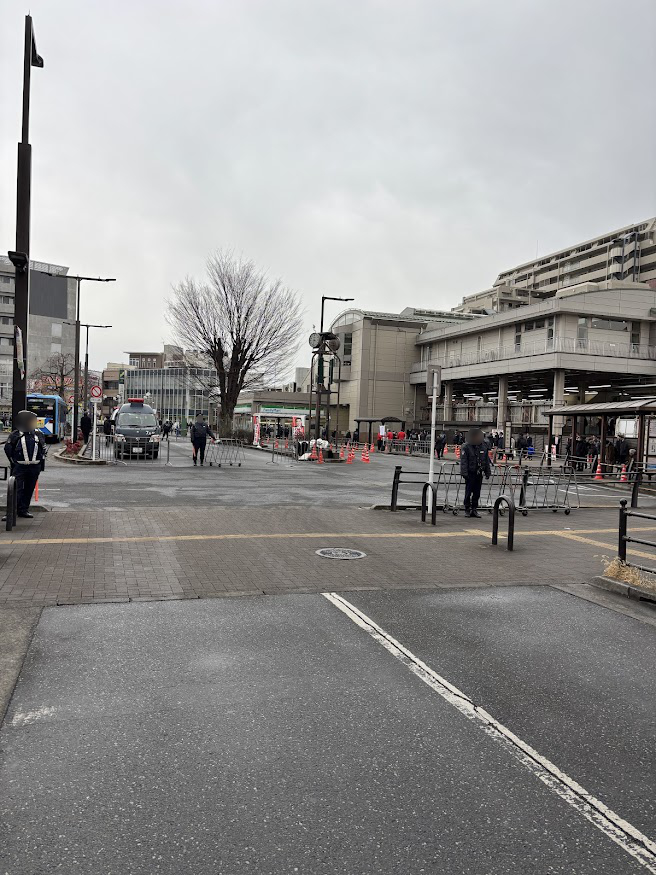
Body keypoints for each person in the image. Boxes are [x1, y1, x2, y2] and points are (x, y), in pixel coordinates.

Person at [3, 410, 46, 519]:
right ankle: (11, 512)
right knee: (15, 489)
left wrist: (40, 462)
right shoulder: (15, 434)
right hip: (20, 466)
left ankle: (23, 510)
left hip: (34, 467)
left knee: (29, 489)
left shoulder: (38, 434)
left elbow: (43, 448)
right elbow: (8, 448)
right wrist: (13, 461)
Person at [460, 427, 491, 518]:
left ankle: (474, 509)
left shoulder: (483, 446)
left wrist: (487, 472)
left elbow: (486, 460)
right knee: (468, 492)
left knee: (477, 492)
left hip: (479, 472)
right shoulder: (466, 446)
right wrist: (464, 473)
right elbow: (464, 461)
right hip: (470, 473)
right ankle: (467, 509)